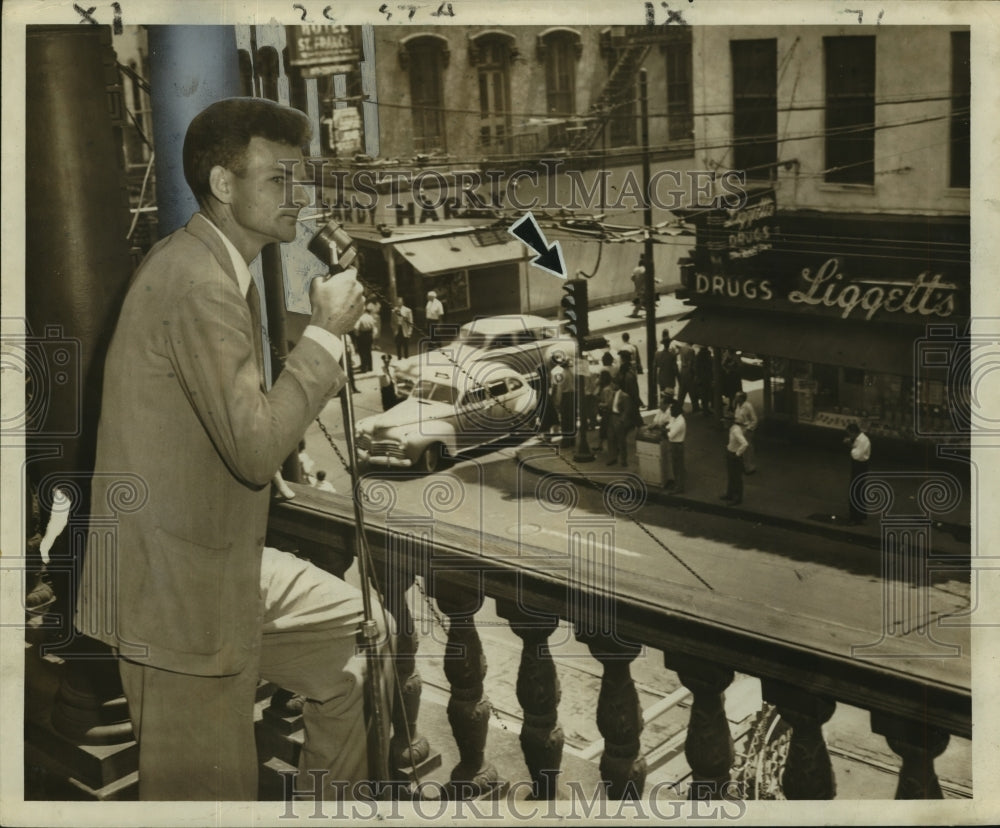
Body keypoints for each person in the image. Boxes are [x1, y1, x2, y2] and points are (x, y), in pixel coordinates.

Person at [74, 98, 385, 801]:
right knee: (209, 801)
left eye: (299, 180)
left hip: (214, 564)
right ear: (223, 184)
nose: (298, 198)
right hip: (175, 603)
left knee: (365, 643)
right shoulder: (197, 283)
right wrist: (328, 334)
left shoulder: (209, 268)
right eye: (279, 180)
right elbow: (252, 448)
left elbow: (208, 426)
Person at [606, 374, 636, 467]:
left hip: (619, 418)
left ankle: (623, 459)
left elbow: (627, 411)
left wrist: (621, 421)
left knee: (621, 440)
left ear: (617, 384)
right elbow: (609, 405)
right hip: (612, 417)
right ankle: (612, 457)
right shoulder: (612, 394)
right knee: (611, 438)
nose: (611, 386)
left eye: (612, 384)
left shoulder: (624, 396)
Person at [845, 422, 871, 524]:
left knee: (856, 490)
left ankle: (856, 517)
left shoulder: (863, 440)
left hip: (860, 465)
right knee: (857, 489)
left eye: (849, 434)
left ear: (853, 432)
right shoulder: (860, 439)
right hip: (860, 465)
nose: (849, 436)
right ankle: (859, 515)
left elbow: (856, 455)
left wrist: (850, 445)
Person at [721, 414, 748, 505]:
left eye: (725, 421)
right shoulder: (731, 429)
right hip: (730, 454)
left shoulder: (736, 431)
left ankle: (737, 498)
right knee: (731, 476)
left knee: (736, 478)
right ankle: (730, 494)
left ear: (730, 422)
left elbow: (744, 444)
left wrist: (738, 453)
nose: (724, 423)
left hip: (734, 456)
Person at [651, 394, 675, 487]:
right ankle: (666, 476)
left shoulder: (671, 412)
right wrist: (654, 425)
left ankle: (672, 479)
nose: (658, 405)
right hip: (661, 437)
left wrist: (657, 425)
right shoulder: (660, 411)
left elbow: (668, 425)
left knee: (670, 457)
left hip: (669, 437)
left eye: (660, 403)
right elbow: (655, 421)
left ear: (666, 404)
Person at [733, 390, 758, 474]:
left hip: (746, 429)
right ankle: (743, 466)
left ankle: (750, 467)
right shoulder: (737, 405)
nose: (735, 398)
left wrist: (749, 428)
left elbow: (754, 420)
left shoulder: (748, 406)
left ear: (741, 398)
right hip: (739, 429)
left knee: (748, 449)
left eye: (737, 397)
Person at [666, 401, 687, 493]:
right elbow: (669, 426)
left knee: (678, 467)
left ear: (676, 411)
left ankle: (679, 488)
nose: (670, 412)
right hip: (675, 445)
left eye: (671, 410)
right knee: (676, 466)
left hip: (677, 445)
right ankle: (677, 485)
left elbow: (671, 435)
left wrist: (664, 431)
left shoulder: (680, 422)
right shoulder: (676, 418)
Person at [617, 350, 645, 418]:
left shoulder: (624, 370)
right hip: (630, 399)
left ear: (623, 359)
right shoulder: (630, 370)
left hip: (628, 399)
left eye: (621, 358)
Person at [353, 306, 376, 373]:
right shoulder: (370, 317)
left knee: (362, 352)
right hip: (369, 335)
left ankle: (364, 368)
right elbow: (374, 327)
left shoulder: (360, 318)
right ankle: (370, 367)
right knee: (368, 351)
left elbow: (356, 328)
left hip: (362, 336)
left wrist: (357, 335)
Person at [596, 369, 614, 450]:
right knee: (604, 430)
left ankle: (610, 447)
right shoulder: (608, 387)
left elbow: (608, 404)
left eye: (600, 377)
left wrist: (599, 404)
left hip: (608, 413)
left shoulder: (606, 389)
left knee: (605, 430)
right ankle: (600, 445)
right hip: (607, 413)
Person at [694, 344, 714, 416]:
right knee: (706, 393)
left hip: (701, 378)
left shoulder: (698, 357)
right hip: (706, 378)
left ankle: (705, 409)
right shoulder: (708, 357)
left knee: (703, 394)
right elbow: (711, 368)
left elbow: (696, 368)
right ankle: (705, 409)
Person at [675, 341, 695, 411]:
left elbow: (675, 354)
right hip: (688, 371)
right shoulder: (691, 350)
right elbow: (690, 363)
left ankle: (679, 407)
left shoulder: (682, 348)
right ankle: (695, 407)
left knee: (682, 390)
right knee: (692, 390)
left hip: (682, 370)